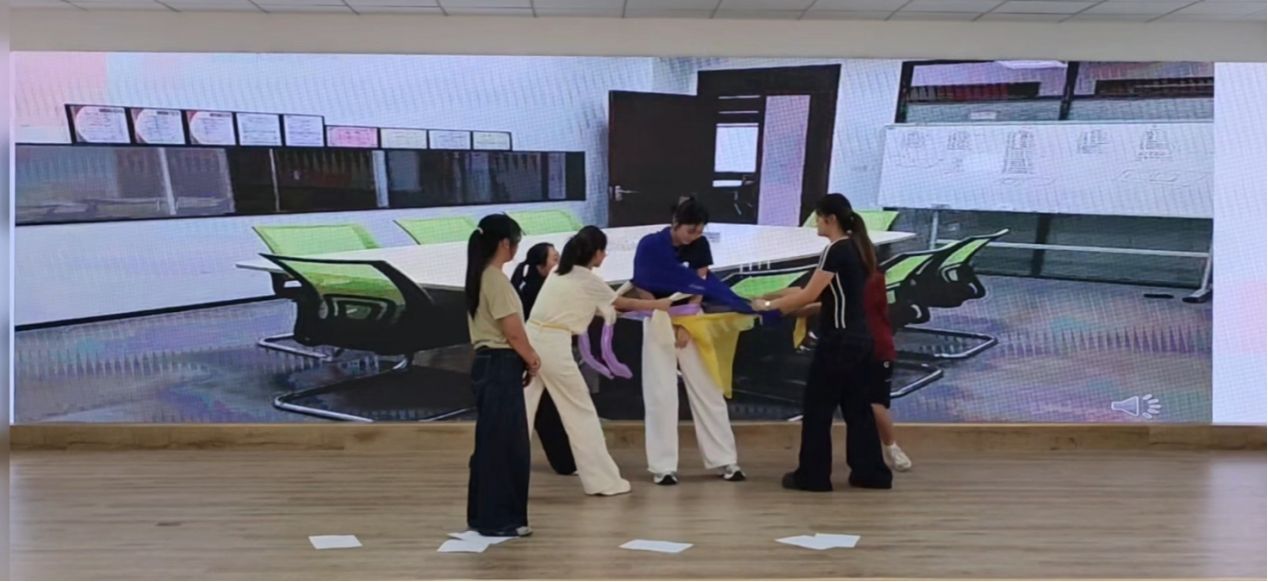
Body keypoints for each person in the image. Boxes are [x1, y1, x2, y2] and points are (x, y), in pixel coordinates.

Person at [753, 193, 893, 492]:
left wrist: (767, 308)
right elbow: (821, 294)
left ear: (830, 219)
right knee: (858, 409)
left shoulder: (836, 249)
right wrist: (775, 298)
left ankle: (813, 476)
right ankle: (871, 473)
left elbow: (808, 295)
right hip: (860, 340)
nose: (816, 223)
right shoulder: (858, 248)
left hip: (838, 342)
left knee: (818, 409)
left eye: (818, 218)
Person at [525, 226, 672, 496]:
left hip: (531, 341)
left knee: (522, 411)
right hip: (552, 347)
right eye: (603, 251)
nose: (605, 256)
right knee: (581, 414)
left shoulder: (560, 273)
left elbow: (596, 305)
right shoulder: (586, 279)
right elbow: (620, 303)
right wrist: (658, 304)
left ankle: (499, 471)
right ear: (594, 253)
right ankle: (602, 481)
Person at [630, 198, 748, 486]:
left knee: (708, 389)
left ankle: (725, 460)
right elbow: (642, 286)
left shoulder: (700, 245)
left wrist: (686, 321)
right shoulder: (650, 245)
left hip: (691, 319)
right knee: (661, 394)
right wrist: (663, 318)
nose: (694, 236)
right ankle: (663, 467)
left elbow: (700, 284)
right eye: (690, 230)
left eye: (699, 231)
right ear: (676, 223)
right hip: (657, 318)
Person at [464, 214, 539, 537]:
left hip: (489, 364)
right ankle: (500, 519)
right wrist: (532, 359)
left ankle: (485, 515)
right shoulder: (495, 280)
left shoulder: (480, 275)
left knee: (491, 443)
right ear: (505, 243)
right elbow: (513, 331)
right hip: (500, 364)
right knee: (506, 446)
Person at [511, 242, 577, 477]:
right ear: (540, 267)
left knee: (539, 411)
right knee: (545, 412)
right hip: (534, 358)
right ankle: (565, 463)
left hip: (534, 358)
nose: (560, 263)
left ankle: (565, 462)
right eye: (555, 259)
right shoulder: (536, 292)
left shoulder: (532, 287)